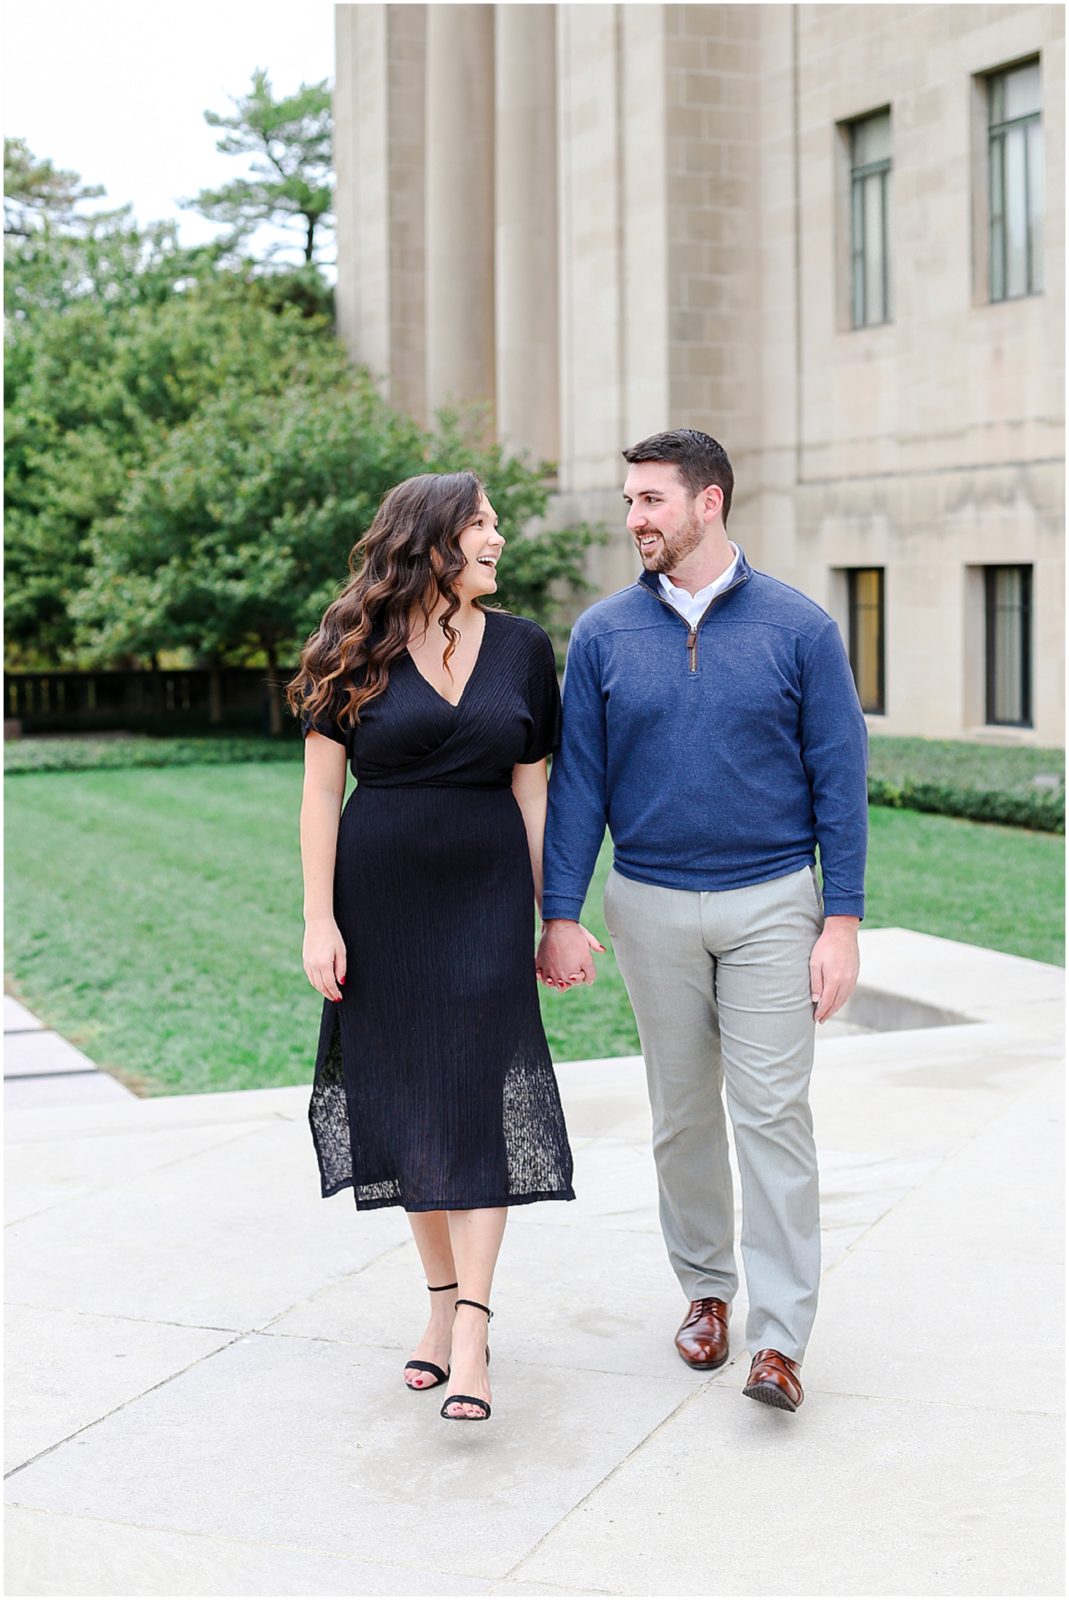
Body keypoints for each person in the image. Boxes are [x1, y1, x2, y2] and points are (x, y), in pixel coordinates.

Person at [536, 428, 868, 1413]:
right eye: (630, 501)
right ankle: (706, 1294)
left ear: (708, 502)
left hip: (771, 901)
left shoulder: (798, 627)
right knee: (681, 1114)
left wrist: (839, 918)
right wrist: (559, 909)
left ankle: (778, 1339)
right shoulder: (602, 633)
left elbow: (839, 782)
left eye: (650, 500)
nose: (634, 518)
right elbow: (579, 783)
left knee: (771, 1114)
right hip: (646, 904)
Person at [288, 470, 587, 1424]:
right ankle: (437, 1307)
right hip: (380, 906)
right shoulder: (351, 647)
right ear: (433, 541)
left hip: (486, 900)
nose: (499, 539)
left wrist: (555, 914)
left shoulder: (525, 649)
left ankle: (472, 1330)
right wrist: (318, 919)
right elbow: (318, 796)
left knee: (478, 1102)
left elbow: (534, 790)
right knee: (409, 1104)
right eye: (484, 525)